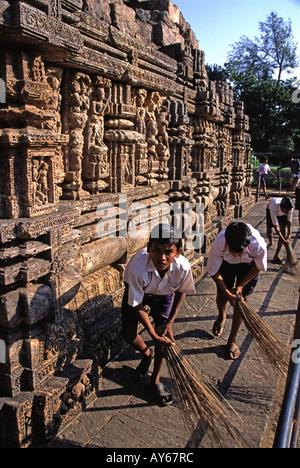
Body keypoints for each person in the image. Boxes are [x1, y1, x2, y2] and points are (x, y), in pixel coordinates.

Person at [121, 223, 196, 406]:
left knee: (163, 335)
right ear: (149, 248)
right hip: (138, 292)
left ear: (178, 251)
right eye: (156, 250)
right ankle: (147, 354)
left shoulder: (183, 267)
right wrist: (151, 334)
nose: (161, 257)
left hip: (164, 296)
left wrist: (170, 322)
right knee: (128, 333)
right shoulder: (137, 267)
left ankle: (155, 380)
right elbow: (137, 303)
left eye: (168, 252)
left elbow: (182, 291)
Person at [207, 222, 267, 360]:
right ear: (226, 243)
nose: (234, 254)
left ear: (248, 245)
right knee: (222, 295)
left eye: (239, 252)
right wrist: (227, 293)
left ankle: (232, 339)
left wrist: (240, 286)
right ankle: (221, 314)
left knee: (241, 300)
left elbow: (258, 267)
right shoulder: (219, 244)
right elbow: (214, 272)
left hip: (248, 266)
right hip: (225, 264)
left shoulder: (258, 245)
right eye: (232, 250)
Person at [266, 196, 294, 264]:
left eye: (289, 211)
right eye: (286, 210)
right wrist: (284, 240)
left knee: (283, 233)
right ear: (281, 208)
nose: (287, 212)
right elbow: (276, 226)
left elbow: (289, 222)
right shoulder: (273, 207)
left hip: (282, 215)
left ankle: (276, 256)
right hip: (271, 211)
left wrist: (289, 235)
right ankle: (270, 242)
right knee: (270, 228)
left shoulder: (289, 208)